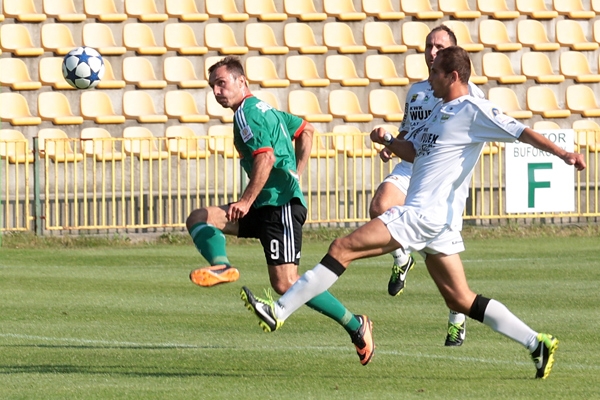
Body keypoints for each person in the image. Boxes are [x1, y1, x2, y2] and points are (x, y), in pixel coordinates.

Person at [241, 46, 586, 379]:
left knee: (340, 248)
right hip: (438, 225)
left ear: (453, 76)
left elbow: (520, 130)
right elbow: (415, 151)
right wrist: (389, 140)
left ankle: (279, 311)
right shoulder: (439, 110)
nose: (429, 77)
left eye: (435, 72)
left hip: (422, 215)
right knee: (461, 299)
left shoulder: (472, 109)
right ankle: (535, 343)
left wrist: (563, 154)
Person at [186, 56, 374, 365]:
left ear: (241, 81)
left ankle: (357, 326)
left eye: (222, 83)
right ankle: (221, 265)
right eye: (213, 87)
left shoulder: (248, 114)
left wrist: (246, 201)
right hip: (265, 203)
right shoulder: (267, 109)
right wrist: (298, 171)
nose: (217, 91)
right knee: (200, 217)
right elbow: (307, 129)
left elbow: (266, 158)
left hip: (279, 206)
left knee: (286, 283)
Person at [370, 25, 484, 347]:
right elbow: (409, 131)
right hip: (411, 164)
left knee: (443, 258)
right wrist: (392, 144)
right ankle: (402, 257)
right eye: (429, 46)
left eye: (439, 47)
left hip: (444, 178)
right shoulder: (418, 91)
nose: (432, 52)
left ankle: (457, 318)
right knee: (379, 207)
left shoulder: (472, 97)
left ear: (453, 53)